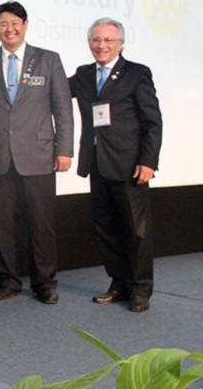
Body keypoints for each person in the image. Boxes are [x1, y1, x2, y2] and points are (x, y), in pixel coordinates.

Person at [0, 1, 73, 304]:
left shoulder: (49, 60)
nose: (10, 29)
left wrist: (64, 150)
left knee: (41, 223)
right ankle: (8, 281)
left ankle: (45, 283)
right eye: (3, 24)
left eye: (15, 23)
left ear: (26, 25)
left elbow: (63, 108)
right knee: (1, 224)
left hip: (39, 155)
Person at [69, 18, 162, 313]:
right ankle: (119, 283)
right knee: (106, 228)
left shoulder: (137, 73)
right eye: (96, 40)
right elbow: (53, 91)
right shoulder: (83, 75)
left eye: (108, 40)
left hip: (129, 165)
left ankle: (140, 289)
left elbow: (152, 122)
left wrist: (148, 161)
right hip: (97, 163)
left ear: (121, 43)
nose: (102, 45)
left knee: (136, 231)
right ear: (89, 43)